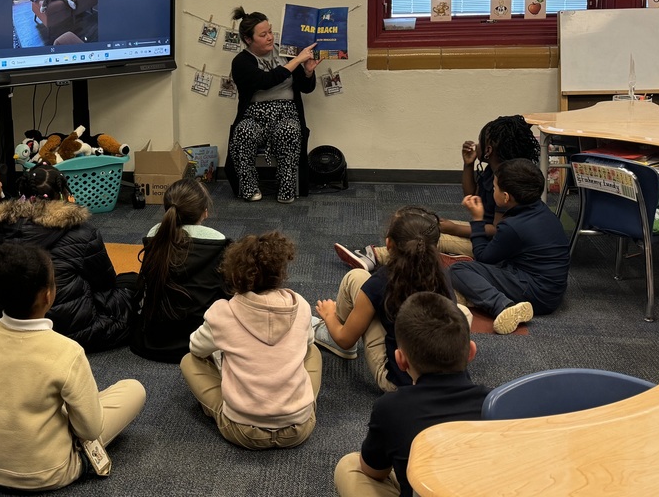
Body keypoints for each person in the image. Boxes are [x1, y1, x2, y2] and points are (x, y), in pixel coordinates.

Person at [0, 243, 146, 491]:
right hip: (54, 470)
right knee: (133, 389)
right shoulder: (67, 350)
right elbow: (90, 429)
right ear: (47, 295)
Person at [334, 292, 489, 497]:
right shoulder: (495, 403)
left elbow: (374, 471)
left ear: (400, 360)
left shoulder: (391, 407)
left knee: (349, 467)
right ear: (471, 352)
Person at [338, 114, 540, 271]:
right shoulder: (493, 171)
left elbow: (496, 231)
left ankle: (377, 257)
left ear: (488, 149)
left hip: (492, 245)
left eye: (481, 140)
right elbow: (472, 196)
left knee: (434, 237)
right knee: (428, 224)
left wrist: (455, 229)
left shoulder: (507, 184)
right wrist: (468, 165)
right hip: (482, 229)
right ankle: (384, 255)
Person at [180, 231, 321, 449]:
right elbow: (308, 343)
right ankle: (299, 401)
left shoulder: (222, 313)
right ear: (280, 273)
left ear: (235, 275)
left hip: (242, 431)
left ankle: (222, 409)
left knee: (189, 361)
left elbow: (196, 348)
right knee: (314, 353)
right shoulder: (300, 305)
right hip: (299, 427)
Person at [314, 206, 469, 393]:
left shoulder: (380, 281)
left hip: (399, 383)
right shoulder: (442, 274)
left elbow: (345, 339)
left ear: (388, 244)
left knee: (355, 277)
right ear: (435, 245)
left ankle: (332, 329)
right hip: (446, 377)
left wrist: (329, 314)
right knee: (463, 312)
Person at [0, 164, 133, 351]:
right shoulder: (83, 232)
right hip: (74, 330)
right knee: (128, 287)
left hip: (16, 320)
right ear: (63, 192)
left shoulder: (3, 226)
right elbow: (105, 282)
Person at [449, 158, 570, 334]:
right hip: (552, 291)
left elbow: (483, 256)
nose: (493, 190)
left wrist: (477, 220)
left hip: (536, 294)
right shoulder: (541, 210)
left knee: (457, 270)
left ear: (506, 197)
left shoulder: (512, 227)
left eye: (495, 187)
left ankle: (502, 305)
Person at [224, 6, 320, 204]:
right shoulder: (241, 62)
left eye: (270, 32)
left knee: (290, 131)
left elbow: (305, 87)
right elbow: (267, 80)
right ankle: (249, 188)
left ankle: (287, 188)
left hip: (287, 112)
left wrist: (308, 71)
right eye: (263, 34)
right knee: (243, 133)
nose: (270, 37)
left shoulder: (285, 52)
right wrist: (297, 61)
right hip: (254, 115)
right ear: (249, 39)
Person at [130, 179, 231, 362]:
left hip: (150, 343)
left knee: (126, 281)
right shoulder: (220, 244)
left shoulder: (154, 237)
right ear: (204, 212)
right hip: (203, 346)